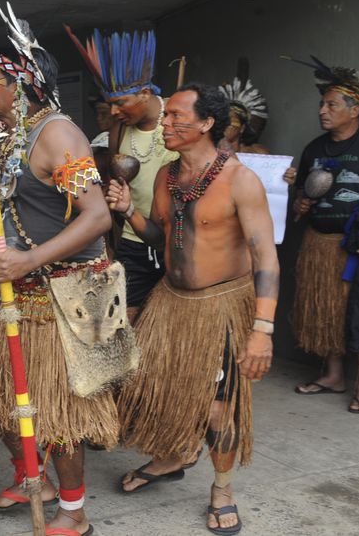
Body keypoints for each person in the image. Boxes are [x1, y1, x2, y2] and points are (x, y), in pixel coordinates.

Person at [0, 4, 117, 536]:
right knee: (0, 398)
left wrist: (28, 258)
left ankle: (74, 512)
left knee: (61, 413)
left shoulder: (59, 134)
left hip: (68, 294)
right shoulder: (18, 135)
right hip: (23, 292)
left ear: (20, 87)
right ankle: (32, 477)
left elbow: (97, 215)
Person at [108, 84, 279, 534]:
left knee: (218, 409)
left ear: (206, 124)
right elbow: (162, 239)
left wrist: (262, 329)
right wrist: (129, 212)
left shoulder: (240, 180)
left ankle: (222, 489)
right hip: (171, 301)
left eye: (175, 116)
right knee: (153, 387)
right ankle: (173, 457)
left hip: (221, 306)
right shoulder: (166, 175)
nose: (164, 123)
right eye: (165, 117)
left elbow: (266, 257)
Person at [286, 56, 359, 414]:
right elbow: (300, 200)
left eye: (331, 105)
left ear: (355, 109)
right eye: (321, 104)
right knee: (326, 313)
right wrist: (301, 206)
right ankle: (334, 375)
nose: (322, 111)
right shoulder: (314, 148)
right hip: (320, 244)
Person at [67, 27, 177, 321]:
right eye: (111, 104)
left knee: (168, 323)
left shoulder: (177, 120)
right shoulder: (120, 129)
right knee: (122, 322)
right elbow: (115, 186)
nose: (114, 112)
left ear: (144, 93)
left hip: (175, 242)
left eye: (120, 103)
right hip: (133, 239)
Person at [219, 75, 270, 155]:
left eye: (231, 119)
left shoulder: (256, 153)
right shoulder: (209, 149)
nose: (225, 123)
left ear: (242, 128)